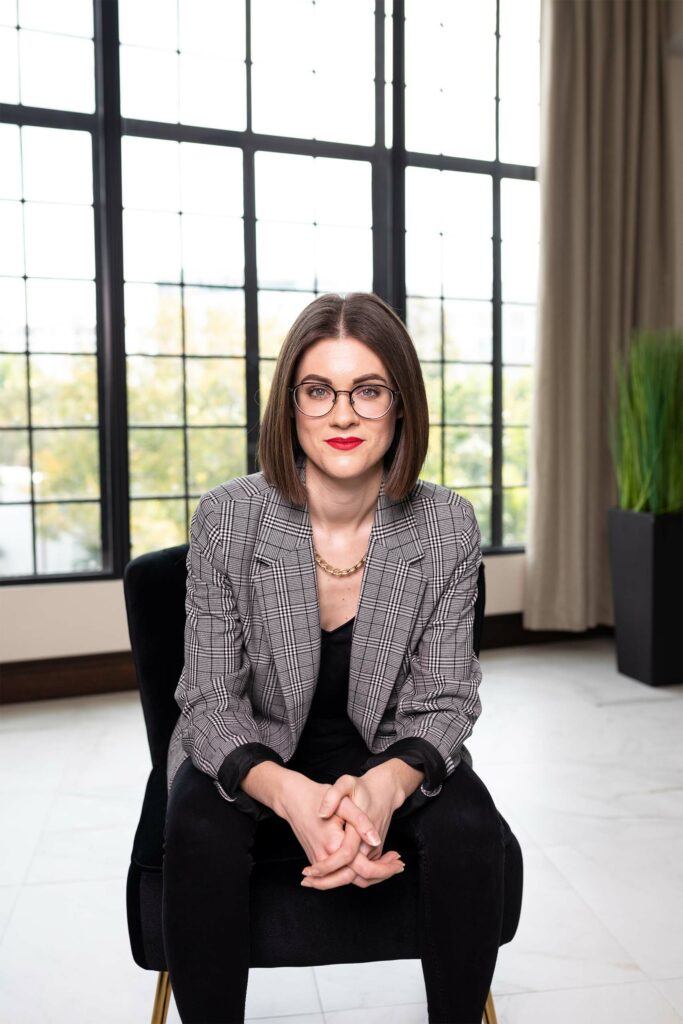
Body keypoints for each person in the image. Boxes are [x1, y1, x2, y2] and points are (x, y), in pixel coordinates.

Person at [162, 292, 506, 1023]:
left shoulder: (446, 523)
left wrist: (380, 791)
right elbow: (209, 701)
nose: (342, 415)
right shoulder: (228, 516)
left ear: (402, 405)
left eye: (368, 390)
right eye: (318, 390)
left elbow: (446, 699)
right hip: (254, 746)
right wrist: (292, 799)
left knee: (472, 832)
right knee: (196, 830)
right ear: (290, 406)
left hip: (388, 749)